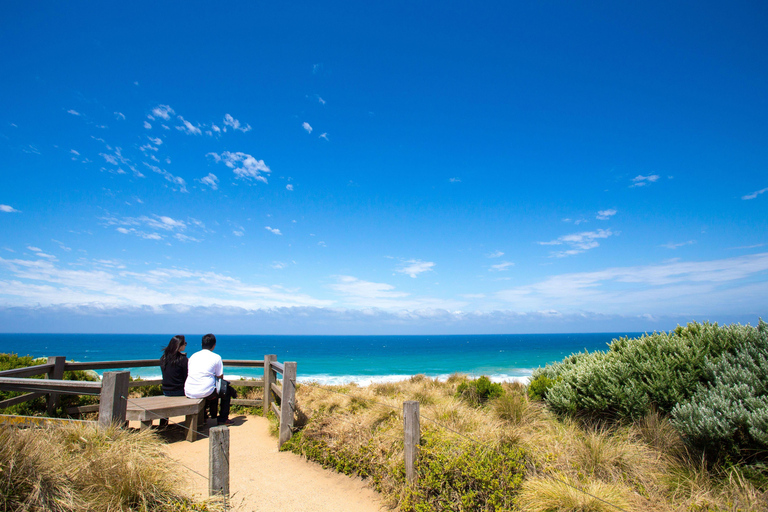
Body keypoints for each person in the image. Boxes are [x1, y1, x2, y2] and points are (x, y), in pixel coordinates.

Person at [185, 333, 236, 425]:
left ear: (202, 344)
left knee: (209, 389)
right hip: (205, 391)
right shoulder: (216, 357)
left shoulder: (193, 356)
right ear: (214, 345)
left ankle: (205, 416)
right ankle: (223, 419)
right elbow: (220, 377)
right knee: (226, 391)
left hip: (189, 390)